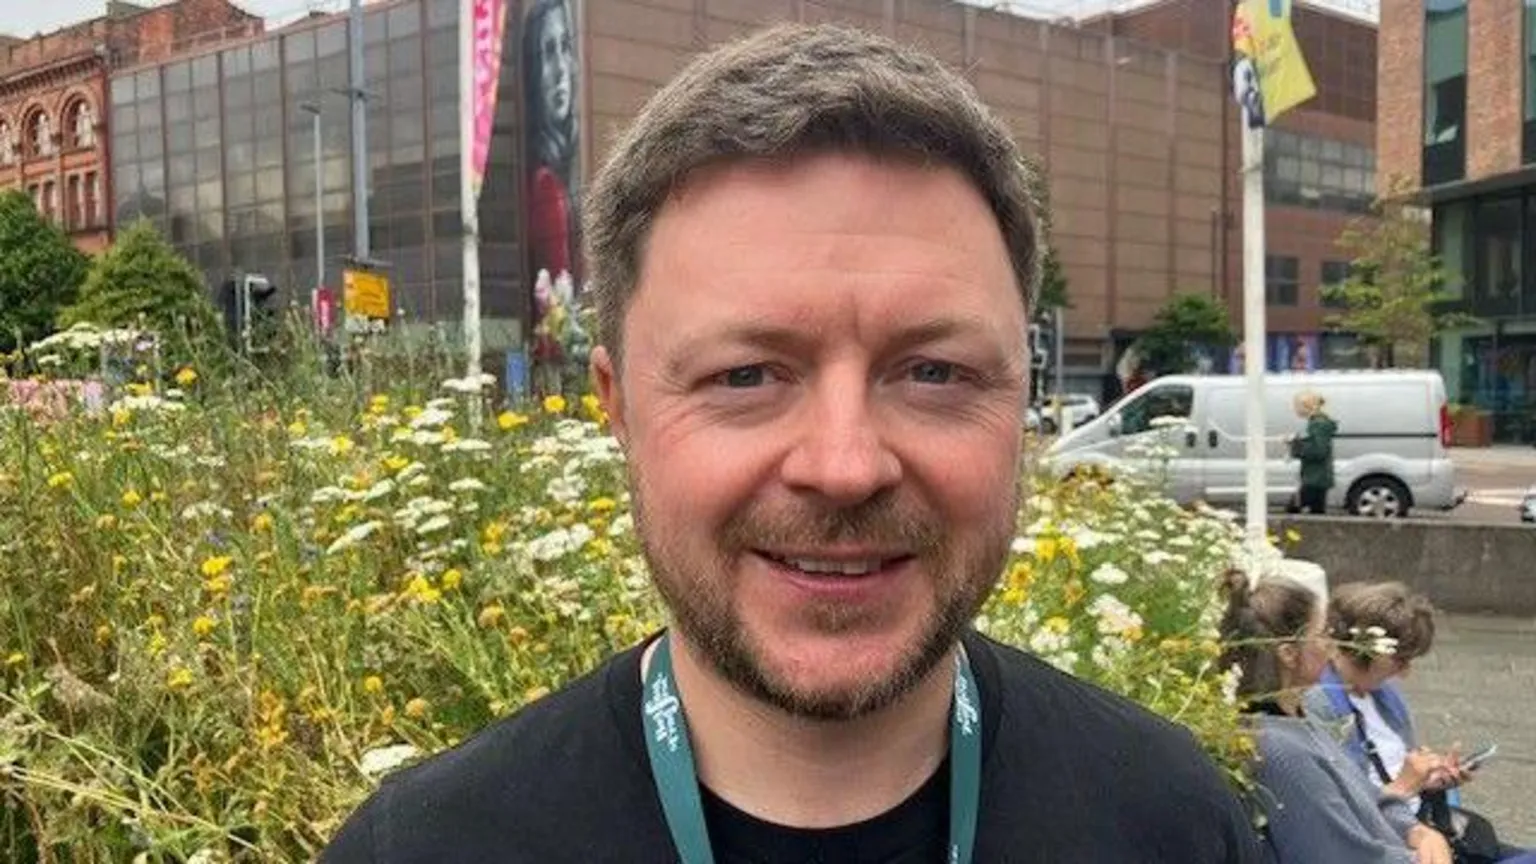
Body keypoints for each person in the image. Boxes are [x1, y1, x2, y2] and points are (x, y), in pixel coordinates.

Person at [322, 23, 1265, 862]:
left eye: (933, 372)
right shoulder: (421, 847)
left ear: (1023, 397)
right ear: (619, 410)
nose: (846, 467)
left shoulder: (1174, 823)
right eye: (745, 376)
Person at [1218, 573, 1455, 863]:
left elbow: (1366, 798)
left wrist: (1417, 831)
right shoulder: (1280, 750)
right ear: (1289, 654)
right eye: (1321, 634)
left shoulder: (1297, 720)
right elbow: (1339, 854)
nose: (1332, 645)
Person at [1305, 581, 1534, 862]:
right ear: (1371, 652)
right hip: (1396, 840)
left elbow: (1396, 772)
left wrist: (1429, 779)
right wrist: (1404, 785)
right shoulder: (1322, 704)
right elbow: (1345, 809)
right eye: (1400, 661)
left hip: (1422, 822)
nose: (1405, 673)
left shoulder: (1385, 695)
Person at [1287, 391, 1336, 514]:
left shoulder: (1318, 424)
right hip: (1318, 477)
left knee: (1293, 509)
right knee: (1316, 512)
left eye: (1297, 406)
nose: (1295, 410)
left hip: (1315, 477)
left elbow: (1319, 451)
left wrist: (1295, 444)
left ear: (1306, 407)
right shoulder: (1318, 423)